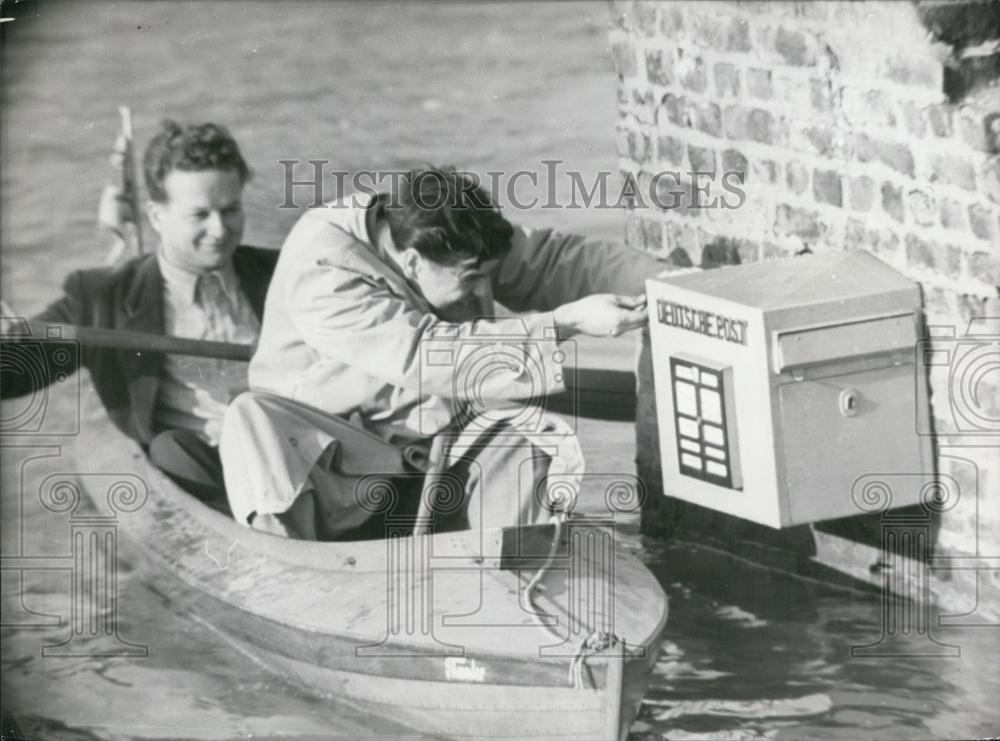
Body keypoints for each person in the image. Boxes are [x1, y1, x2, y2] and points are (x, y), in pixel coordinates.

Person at [221, 166, 665, 540]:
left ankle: (518, 586)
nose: (479, 289)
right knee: (249, 416)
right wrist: (566, 323)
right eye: (470, 280)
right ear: (412, 263)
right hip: (334, 466)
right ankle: (292, 563)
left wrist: (669, 284)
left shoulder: (444, 236)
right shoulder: (323, 274)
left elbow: (551, 261)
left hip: (427, 445)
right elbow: (428, 356)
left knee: (523, 443)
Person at [1, 120, 277, 507]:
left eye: (230, 210)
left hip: (293, 447)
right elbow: (12, 374)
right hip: (206, 473)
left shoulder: (283, 272)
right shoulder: (102, 297)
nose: (219, 230)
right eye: (199, 215)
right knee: (170, 448)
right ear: (156, 216)